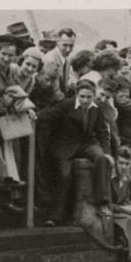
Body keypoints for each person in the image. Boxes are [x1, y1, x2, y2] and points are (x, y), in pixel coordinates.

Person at [40, 78, 114, 226]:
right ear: (77, 94)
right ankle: (55, 217)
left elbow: (103, 132)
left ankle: (102, 201)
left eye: (89, 97)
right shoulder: (67, 104)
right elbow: (49, 113)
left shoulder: (97, 107)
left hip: (86, 144)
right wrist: (34, 115)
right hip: (64, 146)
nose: (85, 100)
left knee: (100, 157)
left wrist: (107, 152)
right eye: (82, 96)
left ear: (93, 95)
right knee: (64, 175)